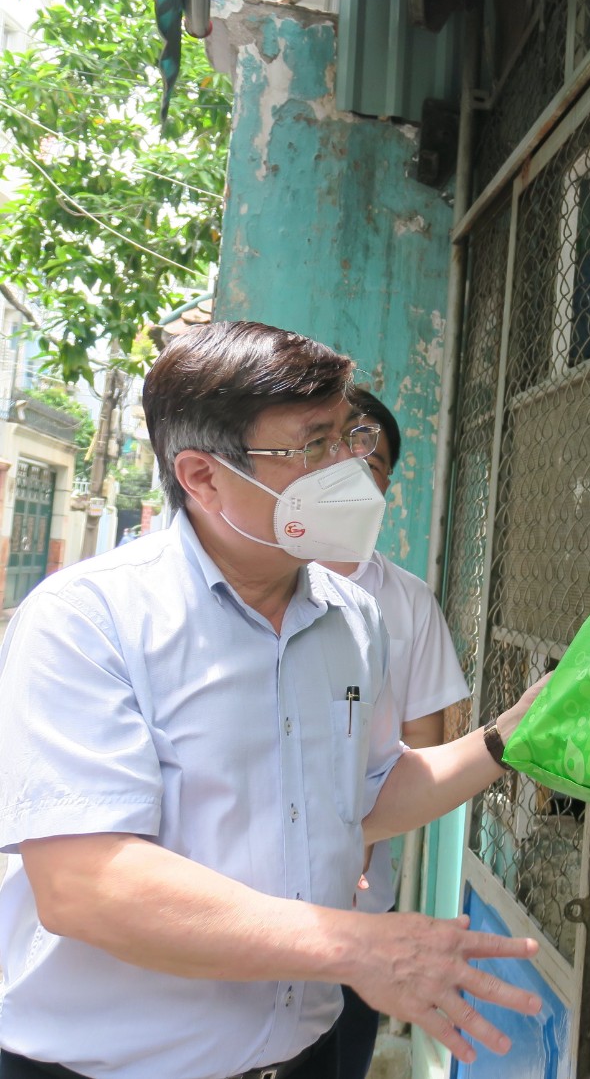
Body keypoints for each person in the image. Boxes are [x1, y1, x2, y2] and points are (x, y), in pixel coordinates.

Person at [0, 321, 544, 1079]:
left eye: (350, 436)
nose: (350, 468)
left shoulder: (353, 618)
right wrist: (358, 944)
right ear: (201, 476)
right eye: (312, 446)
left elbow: (371, 794)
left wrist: (513, 734)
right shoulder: (89, 621)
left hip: (301, 1057)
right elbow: (86, 883)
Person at [320, 388, 470, 1079]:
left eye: (368, 459)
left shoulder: (405, 602)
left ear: (386, 486)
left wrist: (357, 837)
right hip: (242, 902)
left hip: (360, 911)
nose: (347, 470)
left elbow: (432, 753)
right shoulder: (247, 591)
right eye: (327, 446)